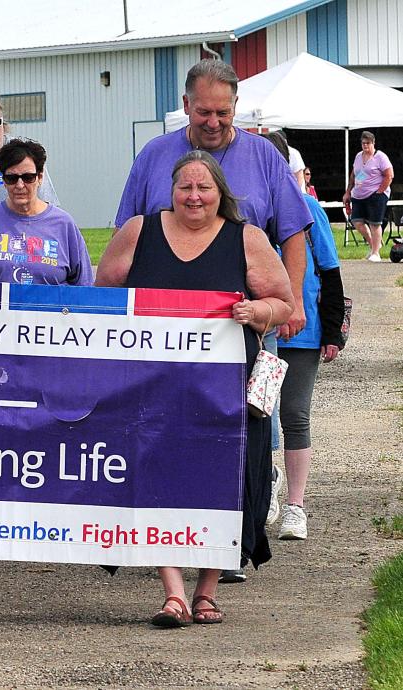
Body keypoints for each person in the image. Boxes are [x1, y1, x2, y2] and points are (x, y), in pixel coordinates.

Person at [115, 60, 313, 584]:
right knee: (162, 438)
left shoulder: (263, 156)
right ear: (185, 106)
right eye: (204, 111)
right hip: (163, 346)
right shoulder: (155, 157)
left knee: (245, 433)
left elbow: (293, 231)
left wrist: (289, 308)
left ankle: (231, 542)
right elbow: (125, 237)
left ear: (236, 108)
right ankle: (167, 541)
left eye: (224, 112)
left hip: (241, 330)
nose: (214, 122)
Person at [98, 150, 294, 627]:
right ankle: (173, 593)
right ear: (172, 190)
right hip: (153, 385)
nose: (194, 196)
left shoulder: (245, 239)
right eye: (185, 186)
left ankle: (207, 591)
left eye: (204, 188)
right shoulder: (139, 231)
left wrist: (256, 312)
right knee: (157, 478)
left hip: (225, 390)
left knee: (225, 483)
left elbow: (284, 303)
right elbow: (102, 289)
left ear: (220, 193)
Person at [262, 132, 345, 541]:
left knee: (294, 416)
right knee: (261, 417)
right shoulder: (249, 213)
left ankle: (296, 505)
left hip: (303, 332)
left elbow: (330, 273)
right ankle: (266, 484)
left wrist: (333, 332)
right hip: (261, 330)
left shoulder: (310, 209)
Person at [0, 138, 91, 286]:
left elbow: (84, 285)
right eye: (12, 178)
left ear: (40, 177)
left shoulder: (63, 224)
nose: (20, 185)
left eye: (28, 178)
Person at [343, 130, 393, 261]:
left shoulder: (380, 157)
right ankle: (374, 246)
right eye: (363, 143)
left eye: (368, 143)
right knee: (357, 221)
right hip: (358, 194)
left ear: (373, 143)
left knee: (374, 223)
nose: (365, 146)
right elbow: (355, 174)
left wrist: (380, 191)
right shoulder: (359, 156)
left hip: (375, 194)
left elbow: (389, 175)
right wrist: (348, 191)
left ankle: (376, 253)